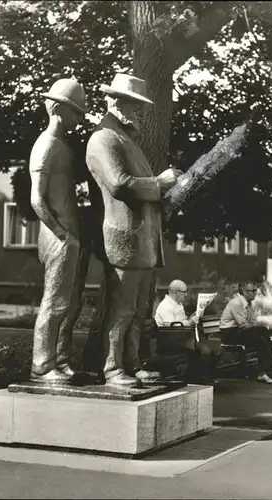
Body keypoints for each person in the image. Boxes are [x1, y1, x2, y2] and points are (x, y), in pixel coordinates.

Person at [86, 73, 181, 388]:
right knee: (122, 308)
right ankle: (113, 368)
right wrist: (160, 182)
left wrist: (165, 189)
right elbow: (118, 184)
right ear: (114, 101)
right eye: (135, 105)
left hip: (143, 240)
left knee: (139, 310)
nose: (141, 112)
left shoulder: (128, 140)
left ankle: (132, 363)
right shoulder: (103, 138)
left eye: (142, 107)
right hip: (124, 237)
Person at [29, 78, 87, 384]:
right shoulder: (47, 146)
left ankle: (61, 360)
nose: (79, 118)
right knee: (54, 302)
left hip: (69, 236)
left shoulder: (63, 147)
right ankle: (42, 364)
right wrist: (62, 234)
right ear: (56, 109)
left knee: (71, 303)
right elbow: (36, 198)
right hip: (58, 238)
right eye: (75, 112)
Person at [155, 279, 222, 384]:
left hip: (183, 337)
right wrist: (189, 323)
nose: (185, 295)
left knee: (217, 349)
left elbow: (182, 322)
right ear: (175, 292)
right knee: (205, 351)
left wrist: (196, 314)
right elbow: (170, 326)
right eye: (184, 292)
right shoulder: (165, 306)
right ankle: (198, 377)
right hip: (172, 340)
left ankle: (200, 375)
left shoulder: (177, 304)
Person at [220, 281, 272, 384]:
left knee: (261, 336)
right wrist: (253, 324)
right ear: (244, 291)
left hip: (239, 331)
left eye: (255, 290)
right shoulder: (236, 303)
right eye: (252, 291)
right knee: (261, 333)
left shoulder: (247, 303)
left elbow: (253, 322)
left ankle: (263, 372)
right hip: (229, 334)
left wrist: (253, 324)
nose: (255, 293)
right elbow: (244, 325)